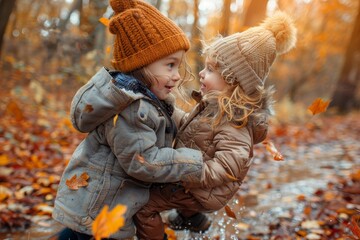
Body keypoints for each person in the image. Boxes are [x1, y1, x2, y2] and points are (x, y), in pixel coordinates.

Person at [68, 10, 297, 240]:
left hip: (205, 188)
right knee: (173, 175)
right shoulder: (215, 106)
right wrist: (168, 110)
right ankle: (192, 218)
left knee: (145, 206)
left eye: (210, 70)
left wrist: (193, 171)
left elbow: (227, 168)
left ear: (232, 81)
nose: (201, 72)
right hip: (198, 179)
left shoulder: (236, 122)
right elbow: (188, 126)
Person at [52, 0, 206, 239]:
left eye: (178, 66)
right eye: (170, 65)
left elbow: (178, 121)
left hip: (110, 210)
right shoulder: (132, 110)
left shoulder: (151, 102)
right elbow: (143, 162)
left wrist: (203, 126)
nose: (176, 76)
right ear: (141, 64)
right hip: (97, 214)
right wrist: (196, 162)